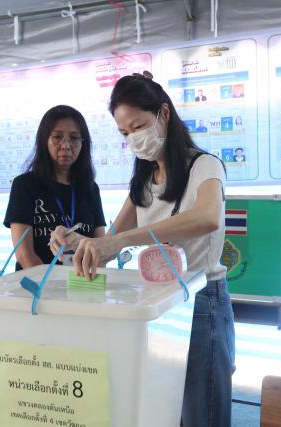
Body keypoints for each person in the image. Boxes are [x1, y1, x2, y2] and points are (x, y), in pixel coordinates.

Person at [51, 72, 235, 427]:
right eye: (124, 134)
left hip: (202, 301)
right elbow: (111, 240)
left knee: (203, 413)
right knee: (165, 410)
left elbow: (208, 217)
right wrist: (76, 242)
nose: (134, 139)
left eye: (138, 126)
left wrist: (120, 241)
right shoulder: (145, 179)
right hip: (159, 303)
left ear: (164, 114)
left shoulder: (204, 165)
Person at [4, 105, 106, 270]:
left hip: (80, 285)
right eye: (57, 137)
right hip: (37, 287)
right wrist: (49, 288)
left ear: (83, 143)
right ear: (45, 140)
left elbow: (100, 247)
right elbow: (24, 255)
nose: (66, 145)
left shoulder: (90, 188)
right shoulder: (24, 185)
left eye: (74, 138)